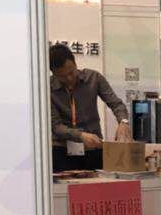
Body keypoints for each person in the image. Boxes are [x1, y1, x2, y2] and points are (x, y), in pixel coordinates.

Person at [49, 42, 131, 172]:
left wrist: (123, 122)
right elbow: (56, 126)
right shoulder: (48, 89)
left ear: (75, 63)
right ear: (53, 73)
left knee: (98, 184)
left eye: (71, 72)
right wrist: (81, 136)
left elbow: (116, 104)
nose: (69, 78)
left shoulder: (94, 78)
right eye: (62, 76)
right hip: (62, 152)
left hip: (93, 149)